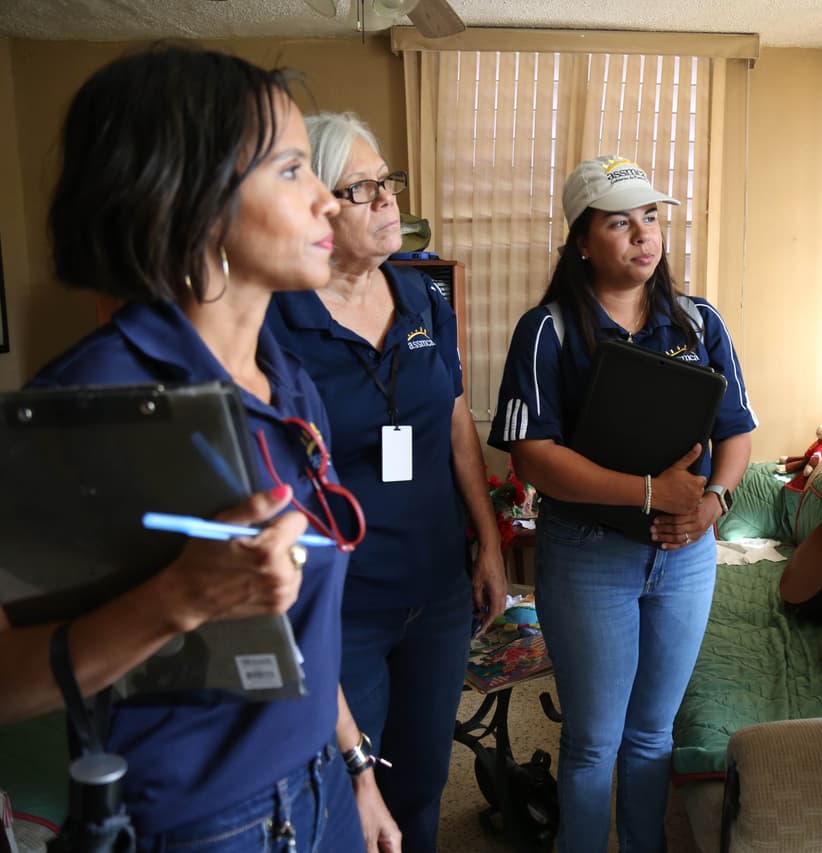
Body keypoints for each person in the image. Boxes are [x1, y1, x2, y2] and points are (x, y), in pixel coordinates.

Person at [4, 46, 402, 852]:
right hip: (206, 825)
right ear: (193, 204)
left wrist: (356, 766)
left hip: (319, 788)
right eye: (294, 170)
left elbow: (299, 625)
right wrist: (179, 599)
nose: (330, 202)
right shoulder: (95, 403)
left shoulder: (284, 378)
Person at [488, 154, 756, 852]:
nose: (644, 234)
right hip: (587, 557)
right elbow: (532, 455)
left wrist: (713, 503)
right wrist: (646, 491)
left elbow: (737, 433)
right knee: (592, 742)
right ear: (582, 241)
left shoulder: (700, 323)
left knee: (652, 736)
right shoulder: (546, 330)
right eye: (619, 222)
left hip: (685, 557)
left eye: (651, 217)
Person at [265, 111, 507, 851]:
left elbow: (456, 422)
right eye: (361, 188)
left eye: (387, 183)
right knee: (348, 789)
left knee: (422, 779)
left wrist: (489, 544)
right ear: (318, 208)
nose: (386, 202)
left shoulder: (426, 300)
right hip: (346, 603)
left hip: (435, 590)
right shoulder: (277, 320)